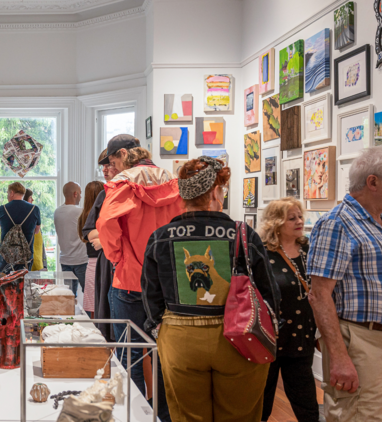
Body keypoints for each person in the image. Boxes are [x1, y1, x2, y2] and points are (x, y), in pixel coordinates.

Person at [141, 156, 280, 422]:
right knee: (240, 415)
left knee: (186, 415)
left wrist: (159, 328)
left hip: (179, 338)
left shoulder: (160, 236)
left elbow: (150, 292)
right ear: (216, 191)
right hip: (238, 337)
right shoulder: (242, 233)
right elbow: (268, 291)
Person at [96, 135, 179, 421]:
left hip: (131, 279)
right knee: (165, 358)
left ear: (122, 155)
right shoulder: (172, 179)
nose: (112, 167)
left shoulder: (123, 183)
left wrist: (119, 257)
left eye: (112, 161)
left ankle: (135, 416)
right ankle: (164, 417)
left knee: (129, 356)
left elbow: (106, 224)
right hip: (169, 284)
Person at [307, 147, 382, 422]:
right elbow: (320, 295)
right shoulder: (337, 223)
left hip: (375, 339)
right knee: (357, 415)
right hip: (358, 340)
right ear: (372, 182)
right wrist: (338, 357)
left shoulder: (376, 223)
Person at [258, 198, 319, 422]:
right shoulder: (262, 254)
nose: (299, 221)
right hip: (269, 338)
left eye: (300, 216)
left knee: (307, 405)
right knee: (261, 404)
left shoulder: (308, 250)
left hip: (302, 337)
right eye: (291, 218)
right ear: (276, 222)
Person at [82, 149, 121, 340]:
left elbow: (124, 232)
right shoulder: (104, 195)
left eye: (109, 164)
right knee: (107, 323)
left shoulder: (126, 193)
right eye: (103, 166)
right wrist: (105, 237)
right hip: (108, 266)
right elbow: (88, 231)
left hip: (124, 268)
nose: (105, 170)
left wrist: (103, 239)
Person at [0, 182, 41, 274]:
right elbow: (36, 231)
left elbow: (2, 226)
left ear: (12, 193)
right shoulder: (34, 209)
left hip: (6, 257)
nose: (7, 196)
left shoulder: (2, 209)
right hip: (26, 256)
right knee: (23, 284)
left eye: (8, 193)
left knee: (5, 284)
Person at [54, 182, 88, 297]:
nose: (81, 196)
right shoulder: (80, 212)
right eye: (80, 193)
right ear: (75, 194)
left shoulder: (57, 212)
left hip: (65, 260)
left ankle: (71, 315)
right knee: (89, 295)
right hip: (81, 260)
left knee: (69, 297)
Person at [78, 181, 104, 318]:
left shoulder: (84, 215)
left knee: (92, 305)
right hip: (101, 260)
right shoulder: (101, 215)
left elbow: (85, 236)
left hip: (91, 262)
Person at [25, 189, 47, 271]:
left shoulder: (33, 214)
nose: (32, 200)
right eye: (30, 197)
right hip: (32, 264)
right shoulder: (31, 218)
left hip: (38, 263)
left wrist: (45, 264)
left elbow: (41, 246)